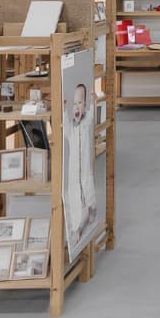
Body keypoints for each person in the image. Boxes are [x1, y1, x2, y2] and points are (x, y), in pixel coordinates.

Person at [63, 82, 97, 251]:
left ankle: (91, 208)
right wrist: (63, 110)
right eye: (74, 103)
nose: (77, 106)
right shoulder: (71, 128)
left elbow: (91, 114)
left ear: (84, 106)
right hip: (73, 171)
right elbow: (65, 125)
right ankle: (76, 227)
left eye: (80, 103)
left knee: (87, 188)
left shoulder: (85, 123)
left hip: (84, 168)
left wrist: (93, 101)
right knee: (76, 196)